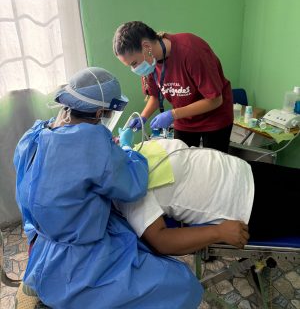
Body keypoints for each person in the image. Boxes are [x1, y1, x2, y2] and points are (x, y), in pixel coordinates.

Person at [14, 67, 203, 309]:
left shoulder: (35, 133)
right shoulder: (92, 143)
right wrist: (125, 152)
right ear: (101, 112)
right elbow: (133, 186)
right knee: (180, 282)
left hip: (41, 244)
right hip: (79, 258)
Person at [114, 137, 300, 255]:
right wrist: (219, 232)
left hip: (249, 171)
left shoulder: (136, 150)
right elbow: (161, 241)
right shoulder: (128, 192)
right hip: (251, 205)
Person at [113, 21, 233, 152]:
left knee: (213, 166)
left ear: (146, 46)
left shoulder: (191, 51)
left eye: (134, 63)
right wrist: (143, 117)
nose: (134, 69)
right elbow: (155, 96)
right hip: (184, 120)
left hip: (214, 119)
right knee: (182, 160)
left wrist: (173, 113)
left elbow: (215, 100)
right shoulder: (150, 63)